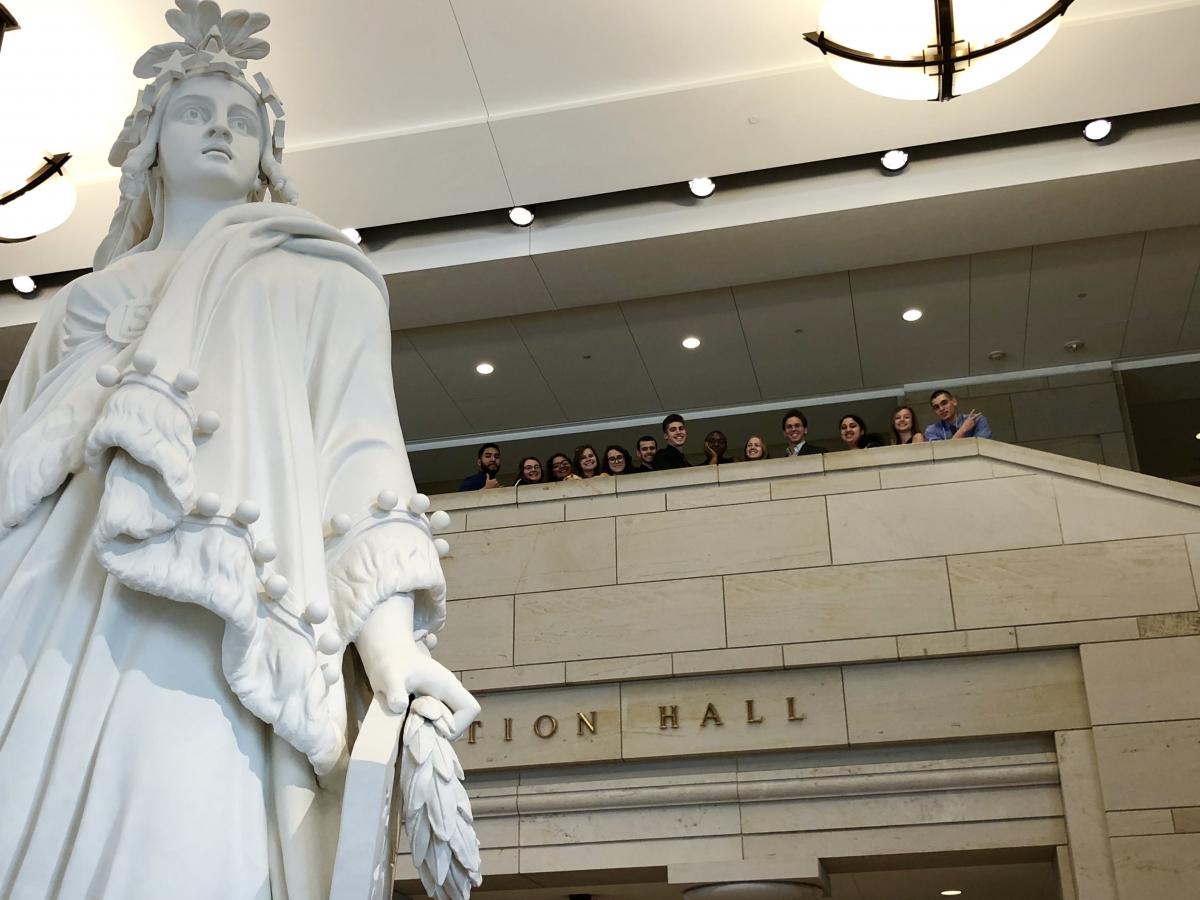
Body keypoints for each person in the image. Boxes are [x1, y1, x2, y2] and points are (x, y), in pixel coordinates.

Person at [0, 7, 478, 897]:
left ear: (268, 155)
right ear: (147, 142)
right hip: (44, 612)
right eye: (194, 112)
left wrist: (389, 646)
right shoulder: (78, 304)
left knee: (174, 841)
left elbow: (360, 457)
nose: (221, 128)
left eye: (243, 119)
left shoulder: (318, 274)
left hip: (210, 622)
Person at [924, 388, 993, 441]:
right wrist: (963, 430)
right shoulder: (931, 430)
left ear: (954, 402)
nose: (941, 408)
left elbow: (982, 447)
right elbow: (940, 453)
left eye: (944, 403)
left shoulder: (977, 420)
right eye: (936, 407)